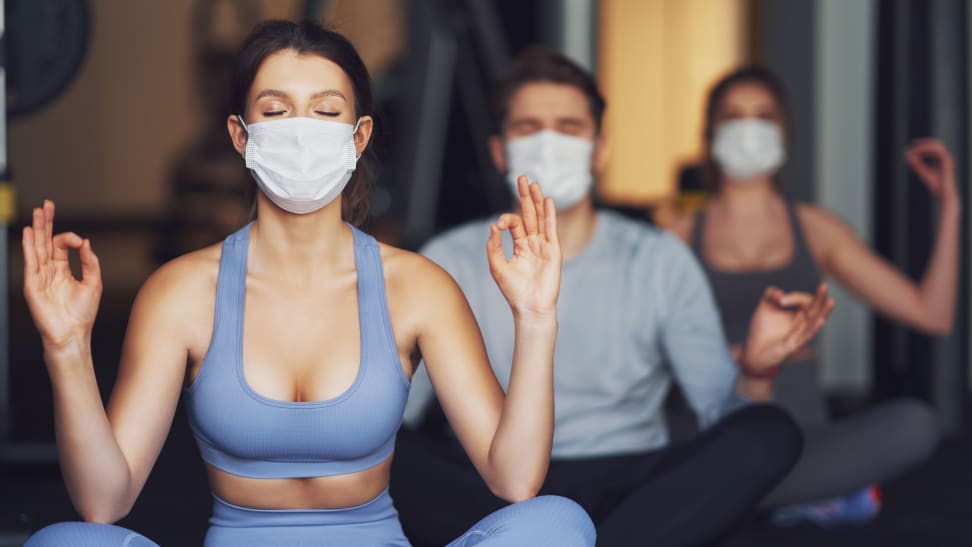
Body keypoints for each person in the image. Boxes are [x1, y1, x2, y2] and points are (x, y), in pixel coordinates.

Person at [21, 21, 596, 547]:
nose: (301, 132)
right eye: (275, 112)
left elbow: (515, 479)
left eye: (325, 112)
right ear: (241, 136)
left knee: (557, 523)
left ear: (359, 135)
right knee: (65, 542)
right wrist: (66, 348)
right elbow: (103, 501)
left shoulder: (417, 287)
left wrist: (536, 318)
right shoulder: (181, 292)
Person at [394, 47, 835, 547]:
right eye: (529, 127)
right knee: (379, 447)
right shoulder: (447, 258)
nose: (548, 142)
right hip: (491, 483)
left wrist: (756, 370)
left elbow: (721, 413)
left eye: (568, 127)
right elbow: (397, 410)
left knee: (769, 432)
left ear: (599, 150)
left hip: (631, 481)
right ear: (500, 151)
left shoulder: (658, 259)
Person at [669, 66, 951, 525]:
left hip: (802, 437)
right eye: (733, 116)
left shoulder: (818, 229)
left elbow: (932, 314)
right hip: (710, 431)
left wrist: (952, 207)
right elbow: (644, 361)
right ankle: (800, 495)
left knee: (915, 424)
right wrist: (748, 355)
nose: (748, 129)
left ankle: (749, 496)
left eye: (764, 116)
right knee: (652, 442)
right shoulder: (676, 236)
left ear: (783, 132)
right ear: (710, 132)